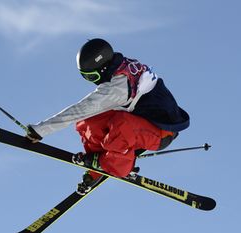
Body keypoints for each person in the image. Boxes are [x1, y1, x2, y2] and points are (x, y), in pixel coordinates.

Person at [26, 38, 189, 195]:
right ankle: (101, 162)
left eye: (92, 77)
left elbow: (80, 109)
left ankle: (118, 166)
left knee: (119, 123)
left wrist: (41, 130)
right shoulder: (117, 67)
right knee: (87, 122)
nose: (93, 82)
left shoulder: (116, 88)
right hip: (141, 123)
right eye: (85, 76)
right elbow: (85, 114)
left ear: (103, 68)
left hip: (161, 133)